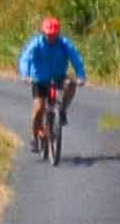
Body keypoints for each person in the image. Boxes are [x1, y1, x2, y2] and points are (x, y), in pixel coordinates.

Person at [18, 17, 85, 147]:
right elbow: (25, 59)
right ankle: (34, 135)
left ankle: (62, 109)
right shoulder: (36, 44)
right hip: (39, 79)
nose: (51, 38)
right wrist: (25, 75)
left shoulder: (64, 44)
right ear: (43, 33)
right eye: (48, 35)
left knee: (70, 84)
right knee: (39, 109)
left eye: (54, 35)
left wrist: (80, 76)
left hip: (58, 77)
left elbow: (76, 59)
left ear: (58, 33)